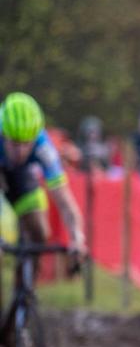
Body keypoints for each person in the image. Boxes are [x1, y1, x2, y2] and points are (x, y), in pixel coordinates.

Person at [0, 93, 87, 258]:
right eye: (15, 143)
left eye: (27, 143)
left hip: (21, 175)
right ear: (3, 134)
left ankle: (26, 280)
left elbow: (65, 201)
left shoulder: (44, 147)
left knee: (39, 230)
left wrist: (77, 238)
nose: (21, 151)